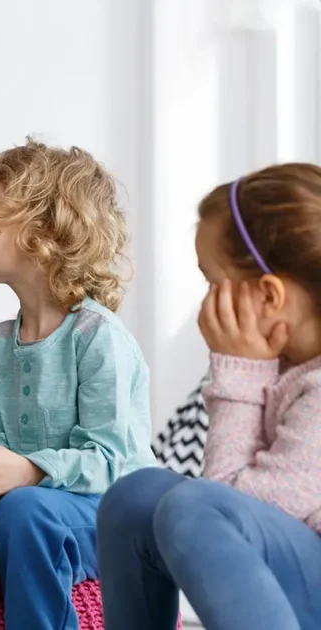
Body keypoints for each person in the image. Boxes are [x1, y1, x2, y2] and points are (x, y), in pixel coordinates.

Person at [0, 139, 157, 630]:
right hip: (33, 501)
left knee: (27, 510)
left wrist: (27, 471)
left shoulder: (98, 338)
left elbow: (110, 460)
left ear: (45, 232)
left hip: (110, 512)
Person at [97, 163, 321, 630]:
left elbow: (230, 504)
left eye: (211, 282)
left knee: (194, 504)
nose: (206, 302)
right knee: (136, 495)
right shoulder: (287, 366)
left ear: (269, 296)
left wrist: (239, 376)